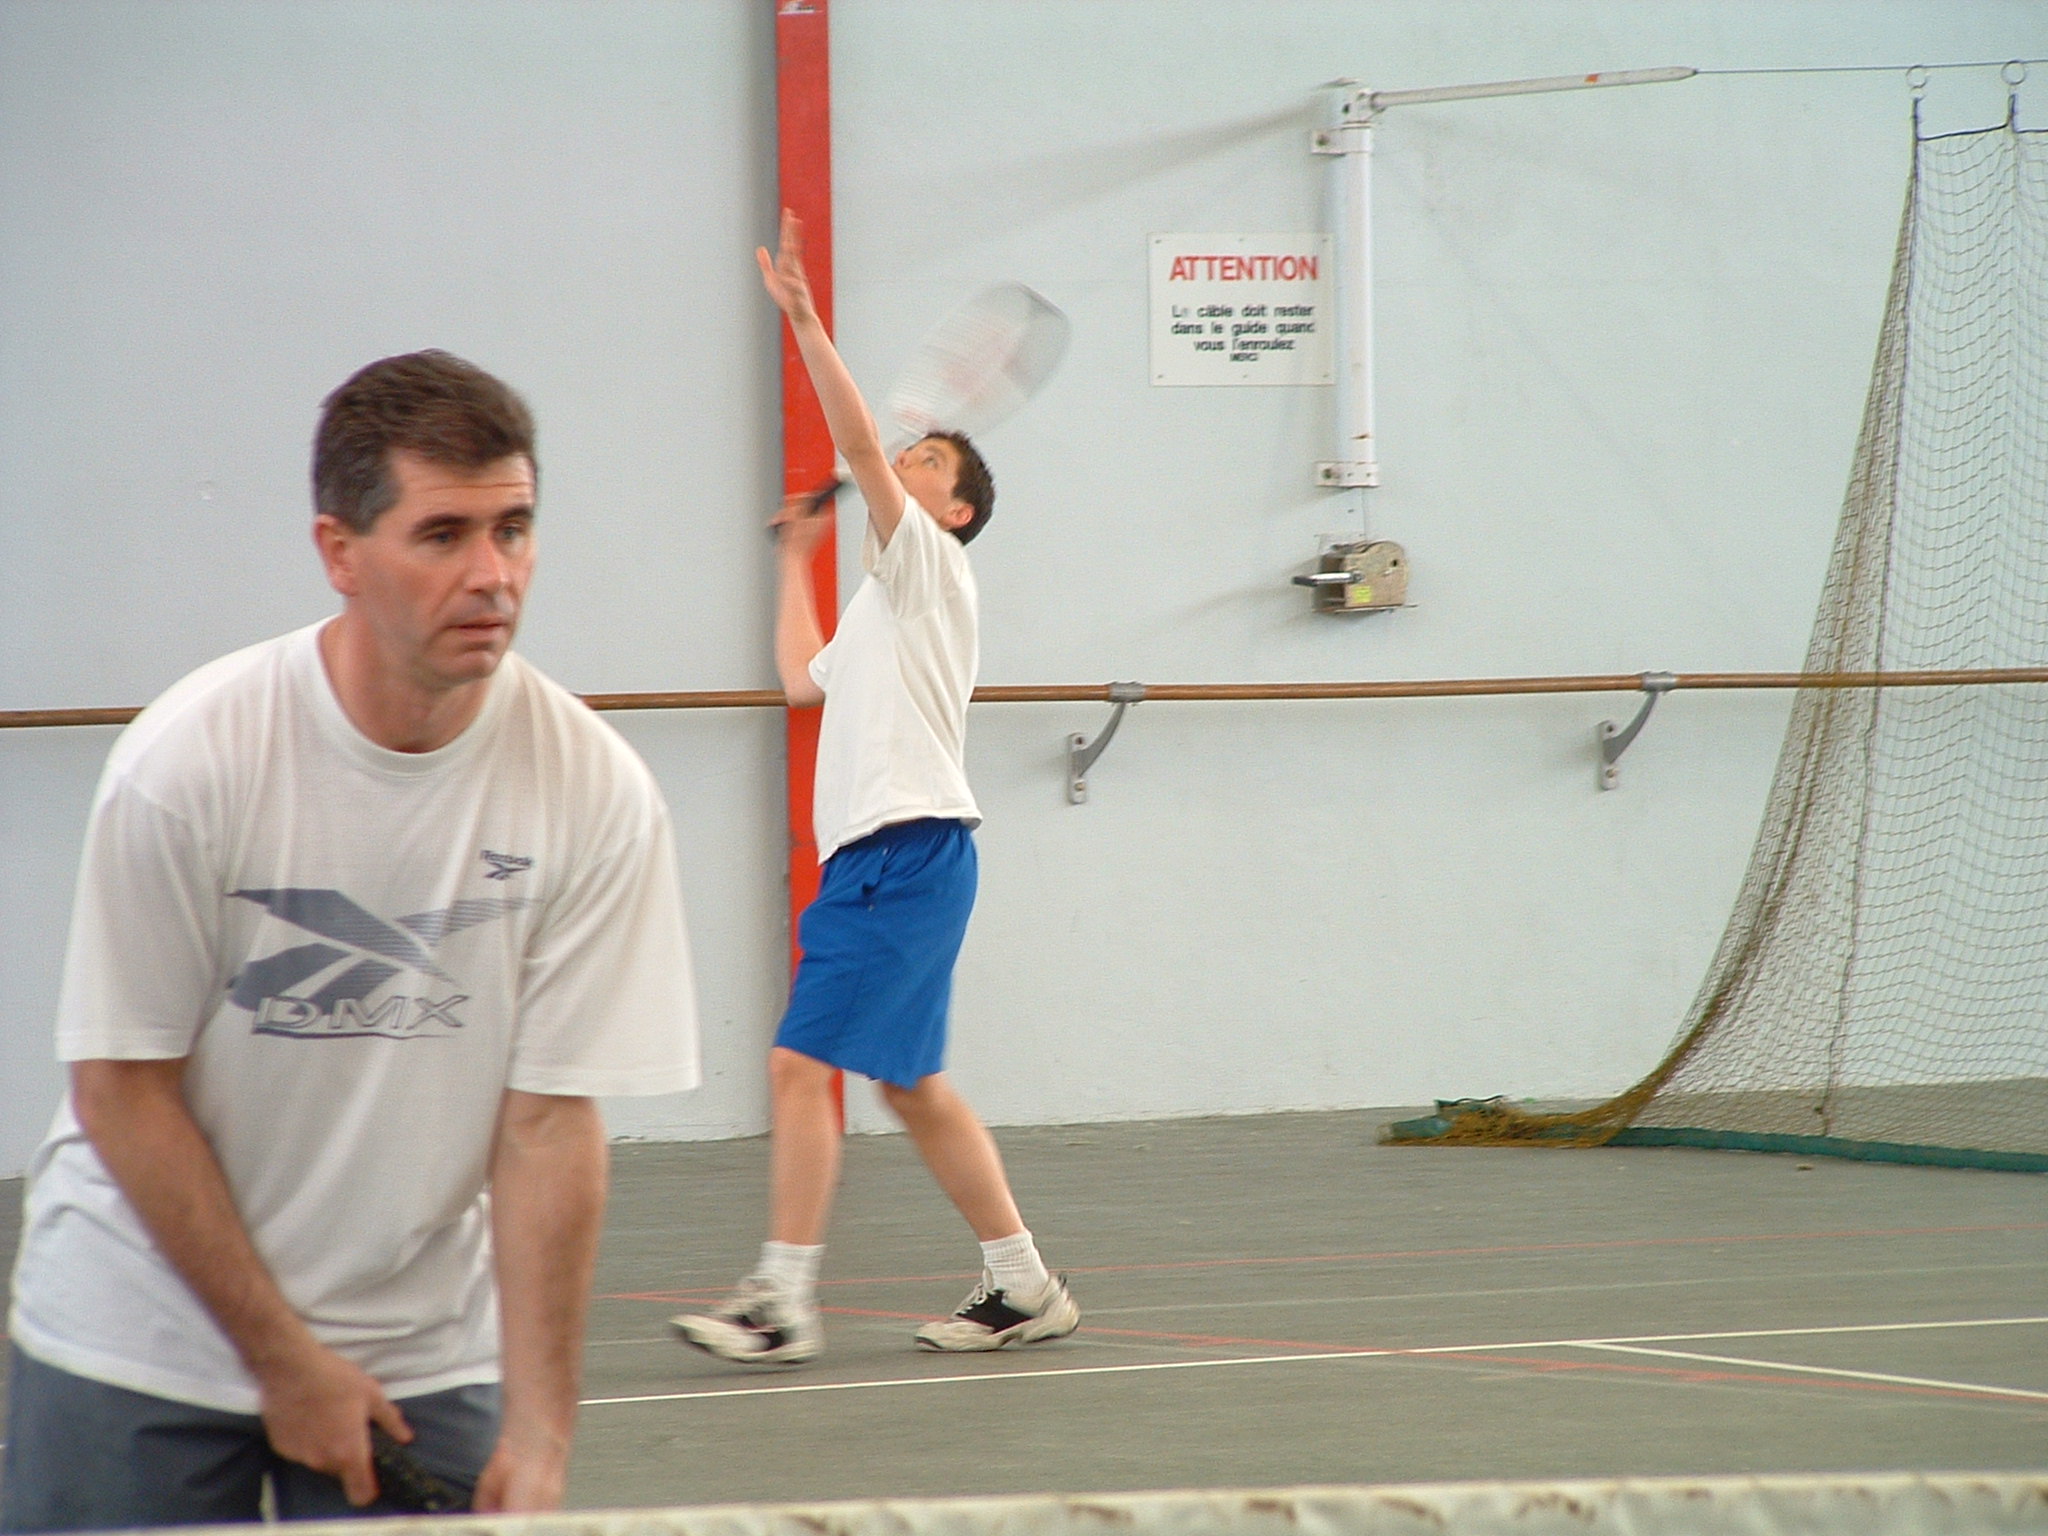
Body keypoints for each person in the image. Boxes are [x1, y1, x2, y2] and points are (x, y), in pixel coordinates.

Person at [1, 350, 701, 1530]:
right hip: (140, 1336)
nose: (492, 574)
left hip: (418, 1353)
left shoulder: (595, 791)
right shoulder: (189, 763)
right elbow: (122, 1088)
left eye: (514, 529)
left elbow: (547, 1126)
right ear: (340, 551)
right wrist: (286, 1363)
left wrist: (541, 1429)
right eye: (443, 535)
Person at [671, 213, 1077, 1367]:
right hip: (881, 859)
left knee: (800, 1065)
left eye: (928, 463)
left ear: (953, 513)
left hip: (908, 850)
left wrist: (805, 322)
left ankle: (780, 1300)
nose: (906, 462)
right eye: (912, 455)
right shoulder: (881, 608)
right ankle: (1023, 1285)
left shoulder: (931, 565)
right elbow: (800, 680)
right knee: (910, 1087)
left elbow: (856, 442)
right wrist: (789, 562)